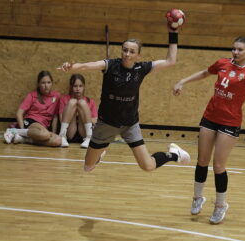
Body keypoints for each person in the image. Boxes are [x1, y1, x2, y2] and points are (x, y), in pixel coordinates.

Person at [58, 22, 191, 173]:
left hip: (129, 124)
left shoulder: (142, 68)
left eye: (132, 52)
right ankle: (102, 150)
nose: (127, 54)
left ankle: (174, 154)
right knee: (88, 167)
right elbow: (86, 66)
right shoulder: (110, 65)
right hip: (106, 123)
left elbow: (170, 61)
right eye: (125, 50)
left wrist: (173, 33)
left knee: (148, 166)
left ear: (138, 55)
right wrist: (71, 67)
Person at [173, 36, 245, 224]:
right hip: (210, 117)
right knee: (202, 161)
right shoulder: (222, 63)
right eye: (234, 49)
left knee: (218, 166)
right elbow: (204, 73)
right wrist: (182, 81)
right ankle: (197, 197)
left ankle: (220, 205)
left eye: (240, 49)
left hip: (230, 122)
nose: (235, 52)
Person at [4, 70, 62, 147]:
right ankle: (14, 131)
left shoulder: (56, 96)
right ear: (38, 84)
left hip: (42, 128)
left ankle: (23, 139)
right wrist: (22, 129)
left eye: (48, 82)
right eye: (43, 83)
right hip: (31, 122)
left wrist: (53, 132)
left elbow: (55, 116)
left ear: (52, 83)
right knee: (45, 134)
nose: (46, 85)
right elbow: (19, 113)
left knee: (57, 140)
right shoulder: (32, 95)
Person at [59, 74, 98, 148]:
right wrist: (73, 112)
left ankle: (89, 137)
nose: (78, 89)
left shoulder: (90, 101)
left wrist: (82, 114)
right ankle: (62, 135)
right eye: (75, 86)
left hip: (84, 132)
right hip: (70, 132)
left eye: (80, 86)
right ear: (71, 87)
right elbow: (61, 119)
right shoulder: (64, 99)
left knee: (82, 102)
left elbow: (96, 121)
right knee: (72, 102)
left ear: (84, 87)